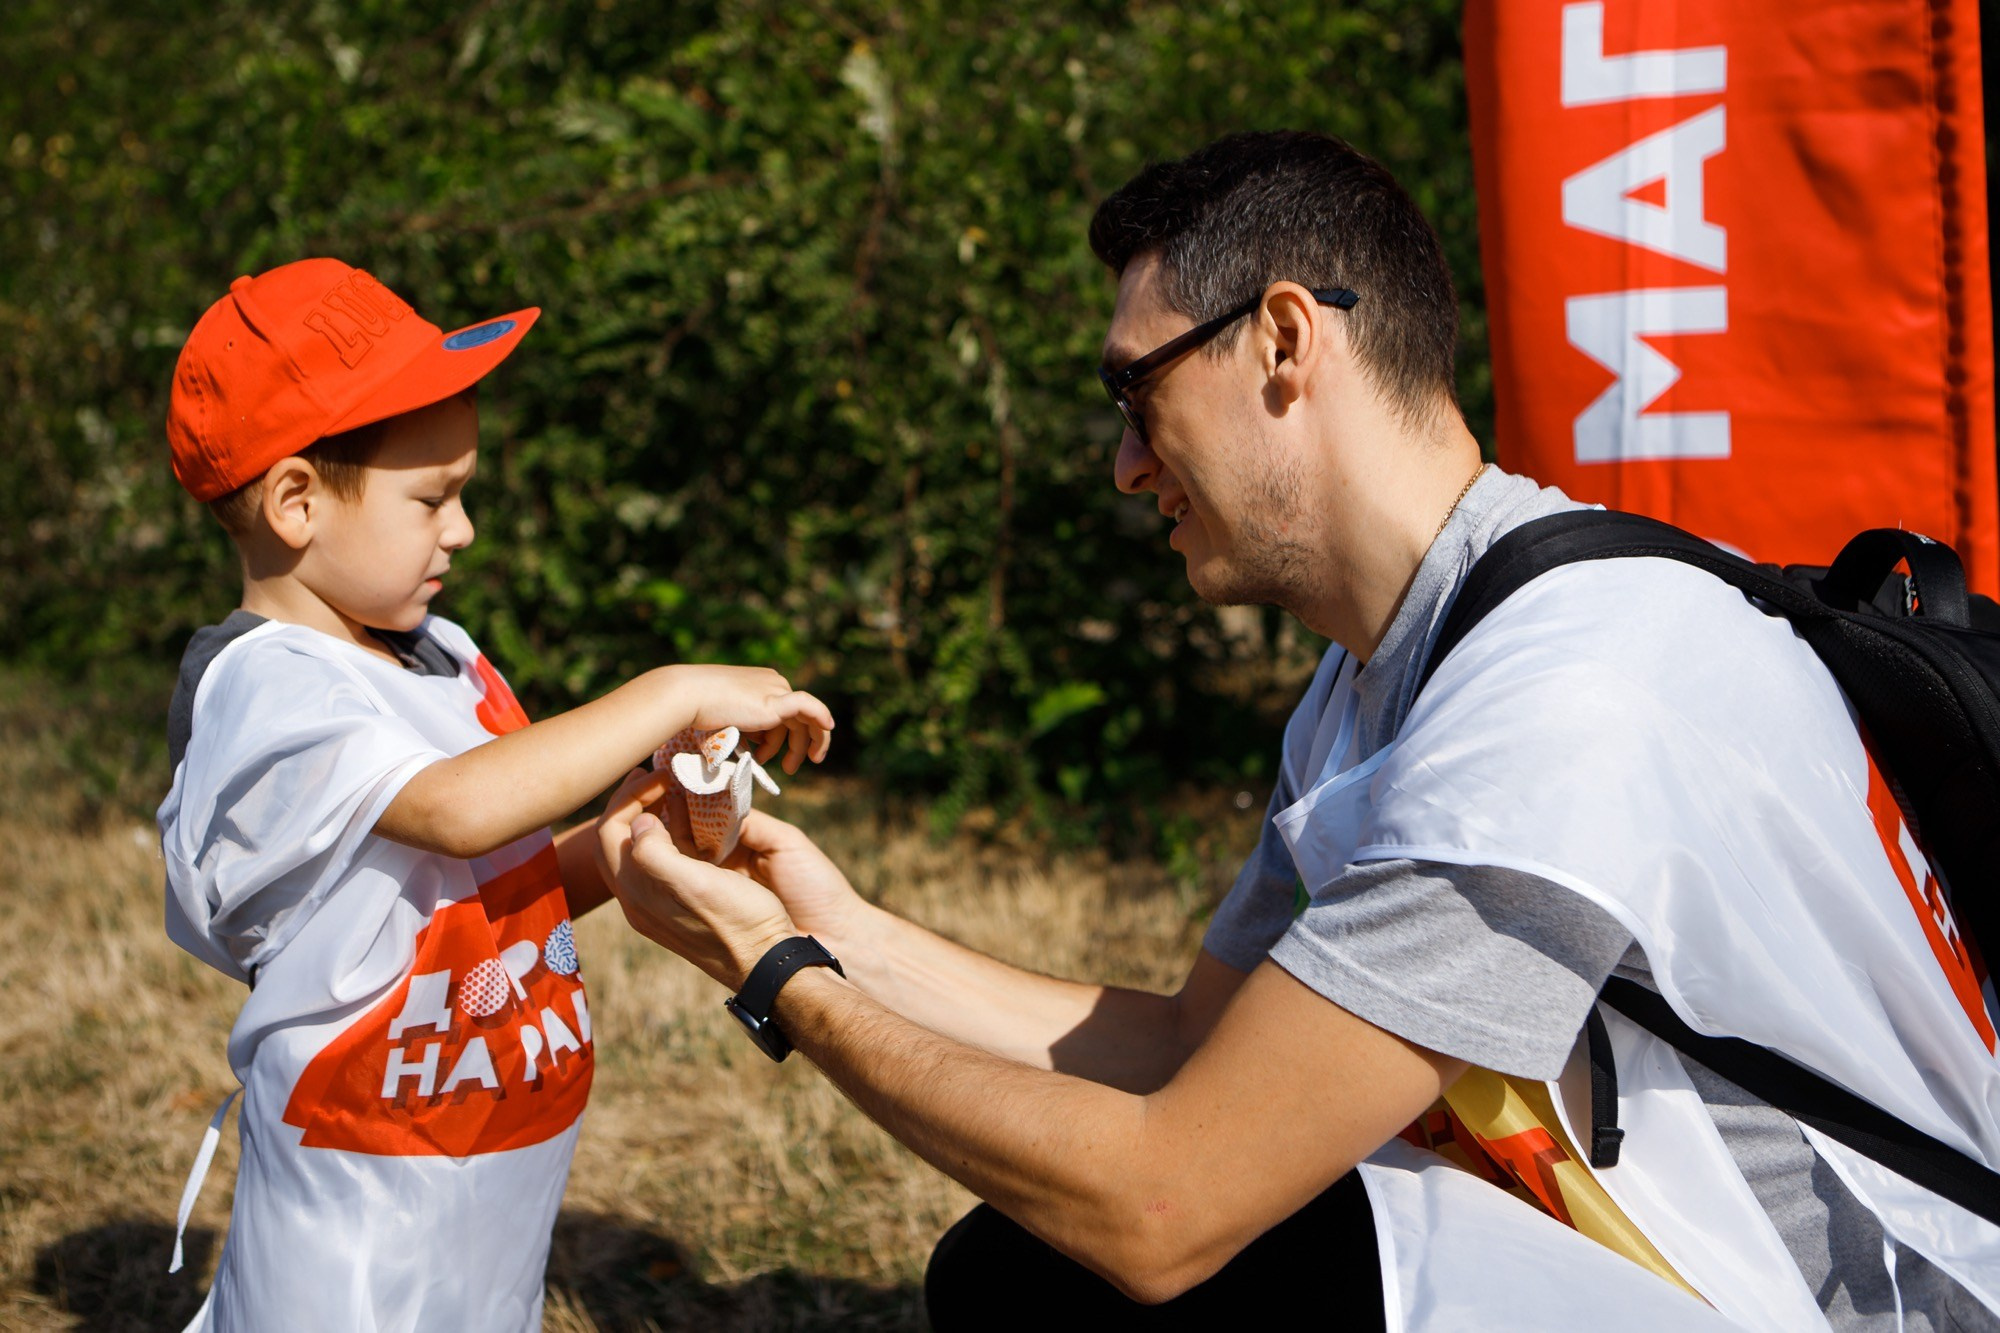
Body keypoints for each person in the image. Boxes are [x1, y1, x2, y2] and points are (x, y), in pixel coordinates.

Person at [592, 132, 2000, 1330]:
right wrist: (840, 927)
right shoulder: (1392, 666)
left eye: (1135, 391)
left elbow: (1162, 1201)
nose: (1127, 461)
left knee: (1084, 1279)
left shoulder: (1562, 698)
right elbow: (1196, 1051)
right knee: (1026, 1278)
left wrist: (774, 974)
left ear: (1282, 340)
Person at [156, 258, 832, 1332]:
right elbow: (460, 812)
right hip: (355, 1201)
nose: (462, 529)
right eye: (433, 498)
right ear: (293, 502)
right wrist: (672, 688)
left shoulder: (445, 655)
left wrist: (618, 834)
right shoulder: (265, 684)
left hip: (489, 1181)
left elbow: (485, 888)